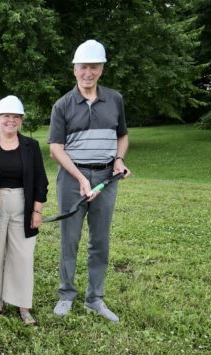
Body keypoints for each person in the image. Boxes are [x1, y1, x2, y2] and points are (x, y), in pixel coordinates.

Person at [48, 39, 131, 322]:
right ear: (74, 70)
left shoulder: (115, 99)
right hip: (73, 178)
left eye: (94, 67)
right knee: (69, 239)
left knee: (100, 241)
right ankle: (66, 295)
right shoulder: (63, 105)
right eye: (83, 67)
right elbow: (56, 149)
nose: (88, 72)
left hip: (107, 178)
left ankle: (94, 298)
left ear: (101, 69)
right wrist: (81, 178)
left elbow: (122, 135)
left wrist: (118, 160)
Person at [0, 96, 48, 325]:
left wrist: (37, 211)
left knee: (22, 256)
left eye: (15, 116)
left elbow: (41, 180)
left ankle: (22, 304)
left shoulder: (31, 146)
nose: (10, 120)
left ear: (20, 120)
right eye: (5, 116)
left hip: (23, 204)